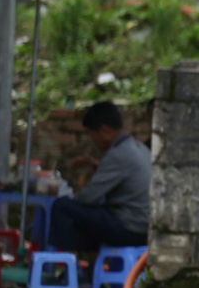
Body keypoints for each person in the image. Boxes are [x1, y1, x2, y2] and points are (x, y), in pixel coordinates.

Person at [49, 101, 150, 252]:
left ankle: (65, 260)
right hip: (146, 228)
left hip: (130, 228)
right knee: (92, 216)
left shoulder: (118, 154)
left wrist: (74, 198)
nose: (93, 140)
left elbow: (88, 197)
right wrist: (96, 165)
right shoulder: (140, 148)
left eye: (92, 135)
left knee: (62, 206)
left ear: (104, 131)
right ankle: (89, 263)